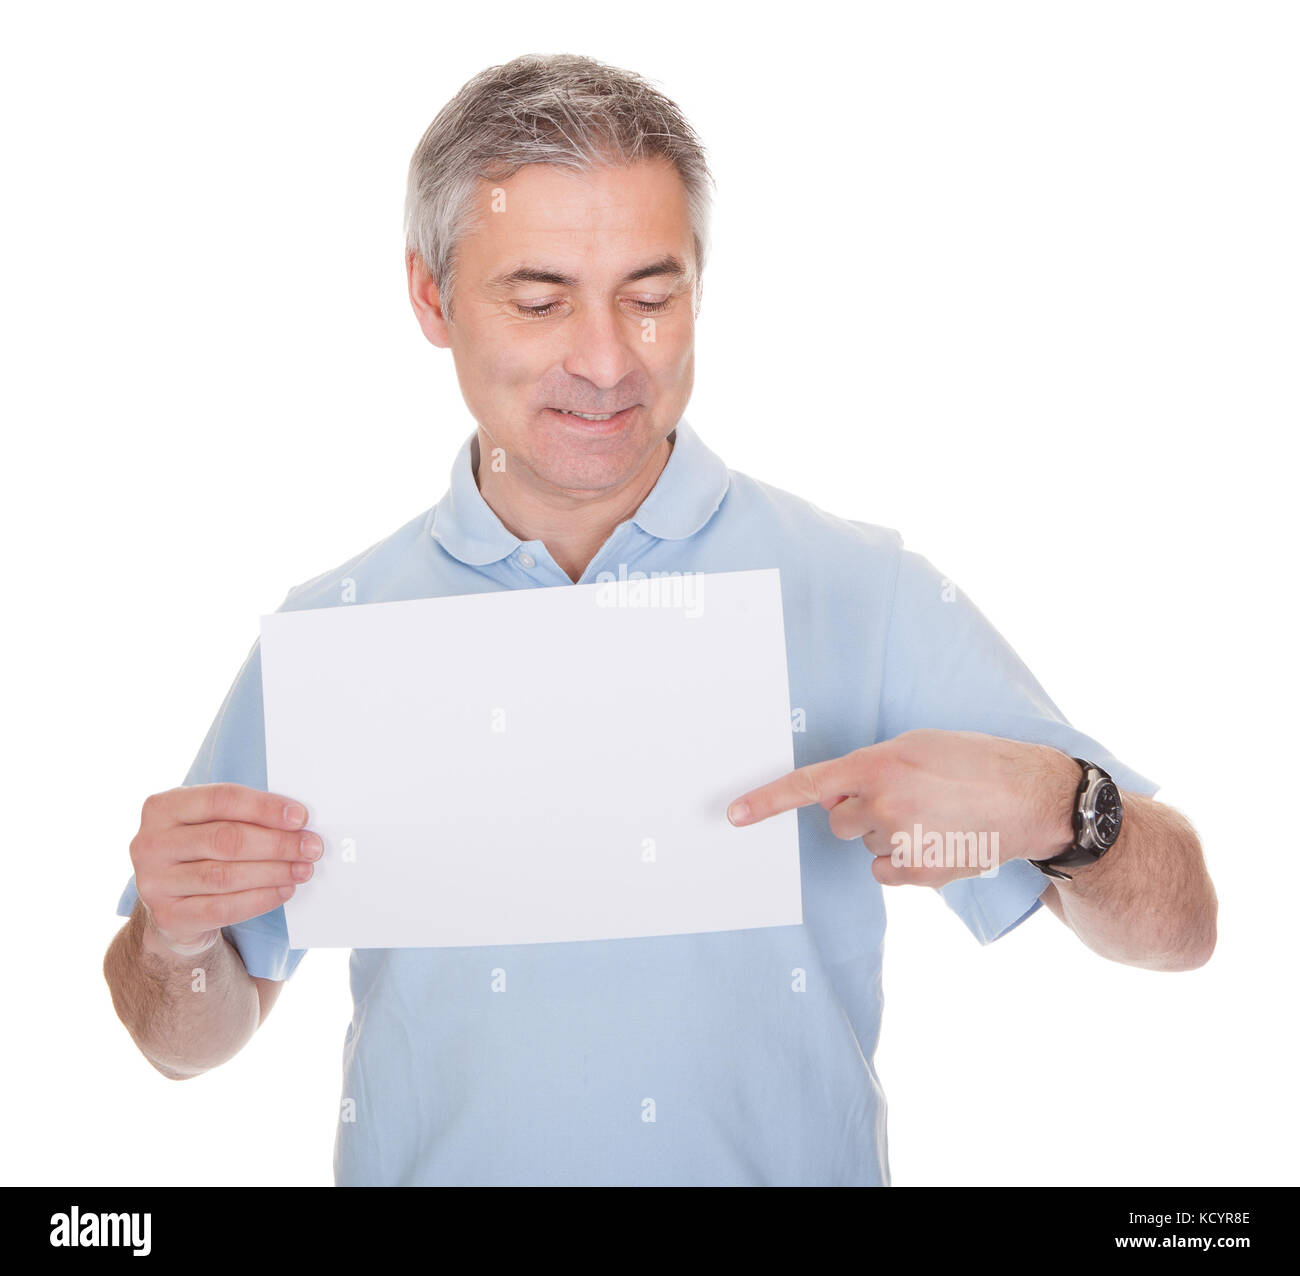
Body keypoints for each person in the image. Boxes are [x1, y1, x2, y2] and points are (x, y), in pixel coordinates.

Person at [103, 53, 1217, 1187]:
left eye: (650, 296)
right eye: (538, 301)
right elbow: (182, 1036)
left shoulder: (860, 592)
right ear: (430, 298)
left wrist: (1061, 810)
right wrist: (174, 937)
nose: (604, 361)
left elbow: (1181, 927)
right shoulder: (336, 634)